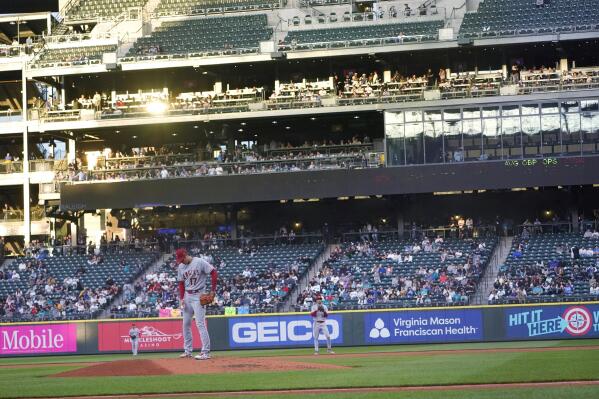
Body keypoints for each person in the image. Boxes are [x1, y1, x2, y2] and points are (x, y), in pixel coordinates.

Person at [176, 248, 217, 360]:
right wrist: (181, 298)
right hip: (187, 296)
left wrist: (213, 290)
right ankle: (188, 351)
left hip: (199, 295)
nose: (181, 262)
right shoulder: (181, 267)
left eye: (182, 259)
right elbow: (181, 283)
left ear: (185, 255)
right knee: (186, 324)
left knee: (200, 323)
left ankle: (205, 352)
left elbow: (213, 272)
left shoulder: (199, 262)